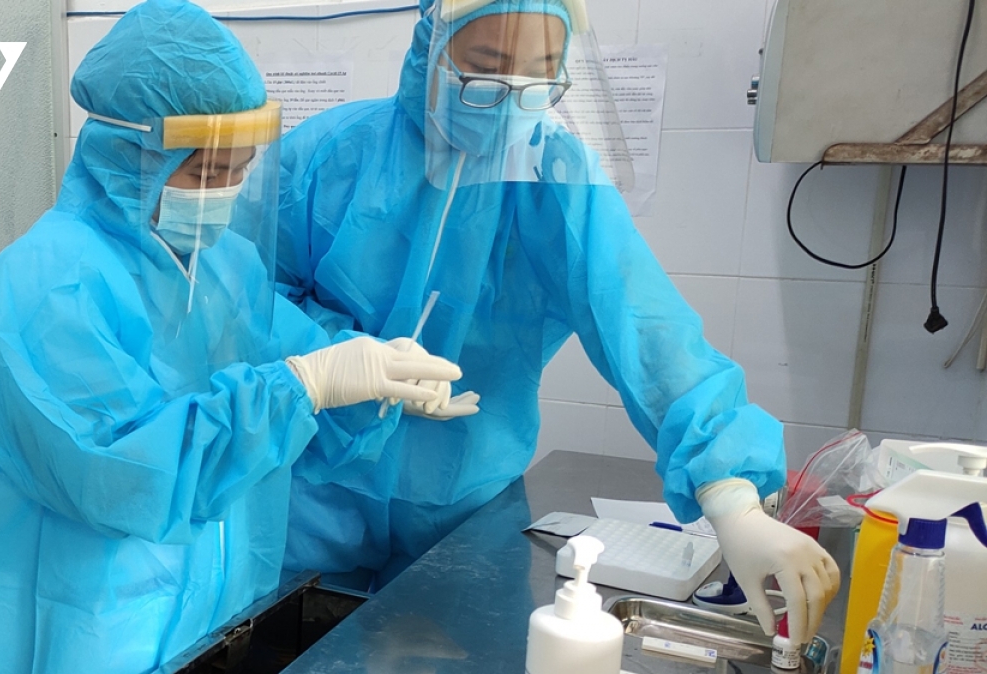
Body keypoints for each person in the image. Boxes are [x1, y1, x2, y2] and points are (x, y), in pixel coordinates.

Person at [277, 0, 841, 645]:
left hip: (460, 485)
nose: (512, 96)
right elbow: (248, 300)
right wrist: (345, 362)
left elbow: (645, 326)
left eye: (539, 73)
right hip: (313, 477)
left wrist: (731, 494)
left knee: (455, 647)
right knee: (285, 643)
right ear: (430, 50)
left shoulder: (556, 175)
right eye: (487, 67)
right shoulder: (329, 153)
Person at [0, 2, 462, 672]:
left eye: (240, 169)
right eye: (205, 172)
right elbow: (117, 474)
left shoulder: (225, 265)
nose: (226, 190)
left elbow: (298, 363)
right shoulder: (46, 282)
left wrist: (374, 381)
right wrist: (304, 387)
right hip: (93, 627)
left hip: (217, 616)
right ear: (128, 154)